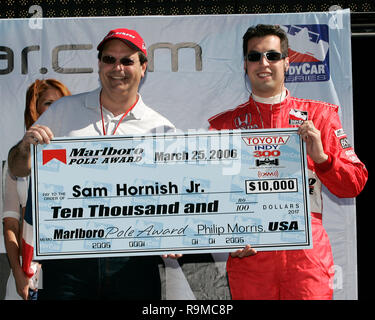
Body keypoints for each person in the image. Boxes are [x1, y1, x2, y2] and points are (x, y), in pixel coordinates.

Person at [7, 28, 177, 300]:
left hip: (132, 262)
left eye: (127, 61)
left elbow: (176, 195)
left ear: (143, 68)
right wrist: (26, 147)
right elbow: (16, 169)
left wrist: (177, 233)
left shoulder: (162, 128)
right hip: (68, 260)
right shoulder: (62, 110)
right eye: (109, 59)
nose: (117, 68)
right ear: (99, 65)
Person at [208, 24, 368, 300]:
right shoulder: (224, 126)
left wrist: (322, 158)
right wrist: (226, 237)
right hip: (251, 257)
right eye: (254, 56)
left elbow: (354, 184)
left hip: (306, 257)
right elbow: (206, 195)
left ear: (286, 62)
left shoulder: (319, 116)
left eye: (272, 55)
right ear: (245, 65)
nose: (263, 63)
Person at [2, 79, 71, 300]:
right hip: (28, 273)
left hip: (71, 272)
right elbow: (10, 224)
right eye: (49, 103)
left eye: (62, 103)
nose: (56, 109)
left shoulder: (82, 154)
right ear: (35, 108)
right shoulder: (16, 160)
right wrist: (18, 272)